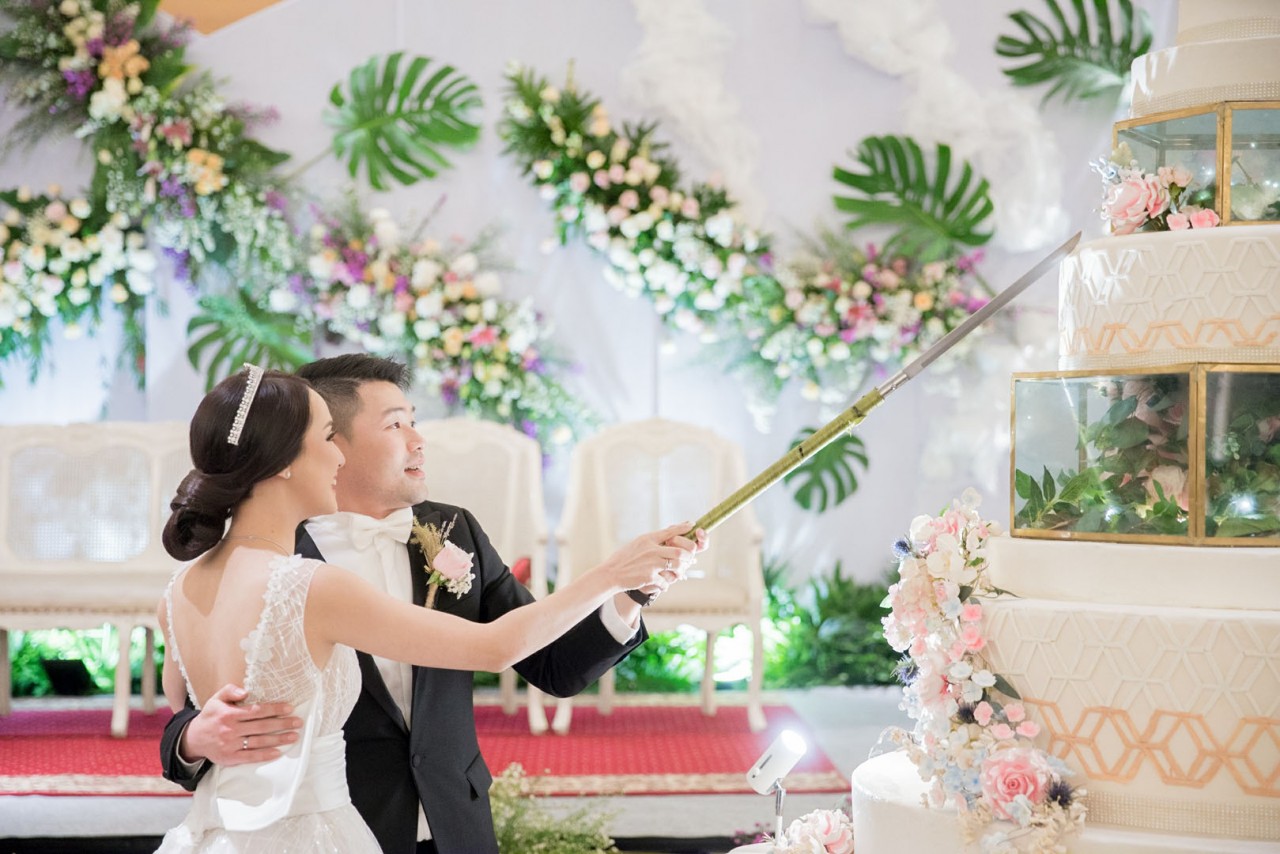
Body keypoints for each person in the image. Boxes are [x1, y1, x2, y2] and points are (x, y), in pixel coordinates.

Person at [159, 358, 704, 854]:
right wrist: (192, 739)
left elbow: (553, 664)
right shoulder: (301, 576)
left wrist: (629, 591)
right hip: (341, 828)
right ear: (315, 448)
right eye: (395, 424)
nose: (419, 441)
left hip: (451, 823)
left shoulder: (452, 529)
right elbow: (195, 710)